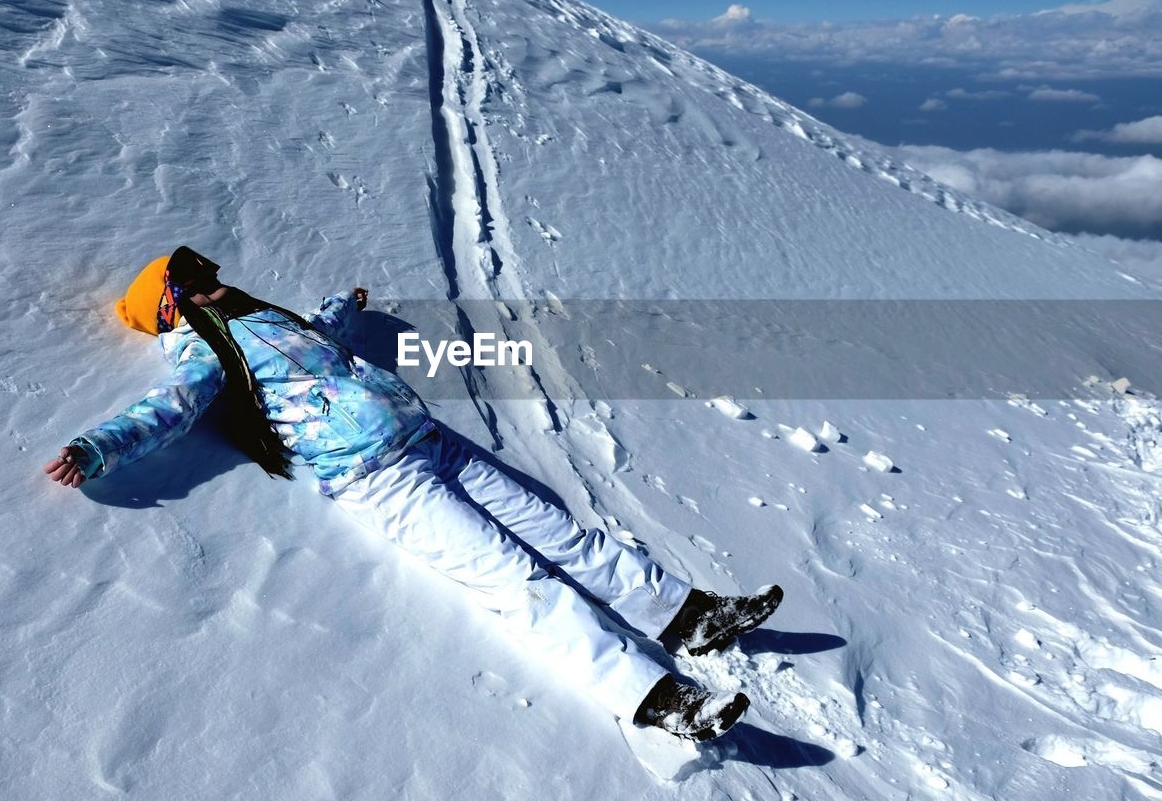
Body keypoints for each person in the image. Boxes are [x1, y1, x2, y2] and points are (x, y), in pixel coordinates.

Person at [44, 247, 783, 742]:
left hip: (428, 442)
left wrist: (347, 305)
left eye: (207, 268)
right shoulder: (203, 350)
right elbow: (166, 411)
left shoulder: (260, 319)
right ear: (176, 306)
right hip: (379, 479)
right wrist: (97, 449)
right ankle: (662, 702)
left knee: (564, 538)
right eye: (197, 279)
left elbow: (322, 336)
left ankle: (690, 617)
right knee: (517, 582)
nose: (217, 279)